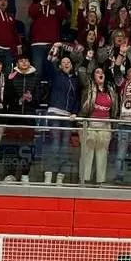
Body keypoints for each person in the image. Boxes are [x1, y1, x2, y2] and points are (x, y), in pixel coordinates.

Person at [42, 55, 82, 185]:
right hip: (55, 112)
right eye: (63, 62)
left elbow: (77, 98)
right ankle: (49, 174)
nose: (66, 63)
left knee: (65, 146)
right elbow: (48, 65)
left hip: (68, 116)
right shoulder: (56, 75)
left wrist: (75, 112)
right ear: (60, 65)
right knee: (55, 144)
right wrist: (53, 54)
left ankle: (60, 175)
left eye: (68, 61)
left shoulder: (76, 80)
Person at [4, 54, 43, 182]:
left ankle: (25, 174)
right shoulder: (11, 76)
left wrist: (31, 99)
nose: (24, 63)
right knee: (11, 147)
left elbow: (40, 98)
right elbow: (6, 98)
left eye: (26, 60)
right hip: (14, 116)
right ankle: (10, 174)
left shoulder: (35, 76)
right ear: (17, 63)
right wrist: (18, 100)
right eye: (21, 60)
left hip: (28, 117)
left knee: (27, 147)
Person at [78, 66, 117, 185]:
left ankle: (100, 181)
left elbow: (114, 108)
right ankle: (84, 180)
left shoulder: (110, 90)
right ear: (93, 76)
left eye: (102, 72)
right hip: (89, 124)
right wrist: (87, 60)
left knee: (102, 153)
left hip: (105, 125)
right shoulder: (89, 87)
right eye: (97, 72)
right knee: (87, 152)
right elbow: (81, 72)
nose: (101, 74)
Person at [28, 0, 66, 73]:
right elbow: (31, 13)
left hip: (53, 45)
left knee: (54, 72)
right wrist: (43, 2)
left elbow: (64, 14)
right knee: (37, 72)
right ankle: (36, 87)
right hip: (37, 45)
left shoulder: (56, 7)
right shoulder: (35, 6)